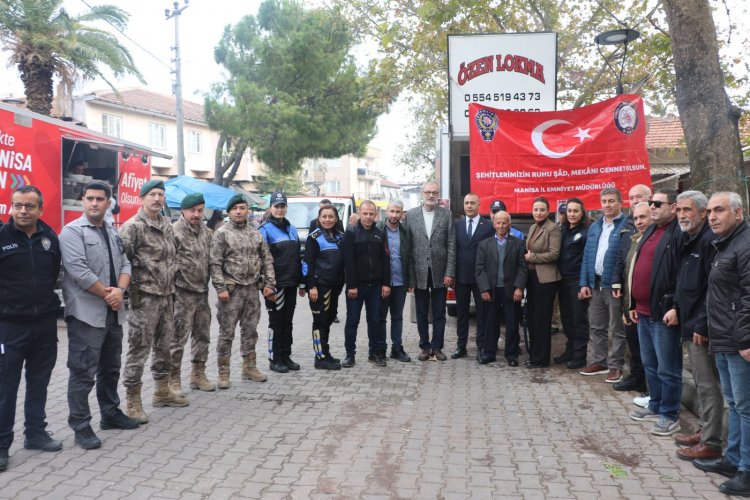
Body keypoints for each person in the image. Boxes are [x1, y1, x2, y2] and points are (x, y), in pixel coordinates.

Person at [60, 182, 139, 451]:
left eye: (100, 199)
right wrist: (110, 294)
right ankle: (81, 426)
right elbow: (79, 272)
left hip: (113, 314)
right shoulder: (72, 232)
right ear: (82, 201)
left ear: (108, 203)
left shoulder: (112, 231)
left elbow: (126, 263)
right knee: (83, 373)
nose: (94, 203)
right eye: (90, 198)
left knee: (110, 369)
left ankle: (110, 414)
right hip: (86, 316)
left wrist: (121, 289)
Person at [0, 186, 62, 472]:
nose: (22, 211)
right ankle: (1, 446)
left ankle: (35, 433)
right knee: (5, 387)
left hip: (44, 325)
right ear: (11, 208)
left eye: (29, 206)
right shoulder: (2, 237)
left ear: (40, 209)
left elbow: (54, 277)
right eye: (17, 205)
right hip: (9, 327)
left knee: (39, 381)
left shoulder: (50, 239)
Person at [693, 192, 750, 497]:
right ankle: (734, 459)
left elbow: (748, 296)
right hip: (724, 338)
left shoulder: (745, 244)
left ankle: (748, 471)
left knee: (746, 406)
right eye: (711, 211)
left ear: (738, 213)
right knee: (735, 404)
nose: (712, 216)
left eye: (719, 210)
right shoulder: (725, 244)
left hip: (740, 342)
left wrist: (745, 338)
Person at [120, 180, 186, 424]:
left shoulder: (167, 224)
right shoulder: (133, 227)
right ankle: (133, 400)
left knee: (164, 347)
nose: (157, 199)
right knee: (139, 349)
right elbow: (121, 261)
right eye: (152, 194)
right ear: (142, 198)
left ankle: (161, 391)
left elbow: (173, 256)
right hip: (144, 299)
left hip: (167, 297)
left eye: (161, 194)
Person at [668, 191, 723, 460]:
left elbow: (709, 290)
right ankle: (706, 430)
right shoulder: (689, 239)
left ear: (703, 213)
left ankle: (711, 440)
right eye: (678, 210)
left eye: (687, 210)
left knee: (707, 383)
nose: (681, 215)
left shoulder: (709, 242)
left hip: (702, 327)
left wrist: (701, 323)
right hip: (689, 320)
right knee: (702, 383)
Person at [628, 189, 683, 437]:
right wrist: (632, 303)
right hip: (642, 311)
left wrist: (675, 306)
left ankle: (670, 414)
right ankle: (656, 404)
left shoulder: (678, 234)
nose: (652, 207)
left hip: (662, 312)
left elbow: (681, 275)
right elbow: (636, 268)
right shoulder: (650, 230)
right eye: (651, 203)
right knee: (650, 364)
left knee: (667, 367)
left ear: (673, 207)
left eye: (657, 203)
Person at [210, 195, 276, 387]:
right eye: (235, 208)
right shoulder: (221, 234)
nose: (239, 211)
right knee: (226, 333)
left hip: (252, 291)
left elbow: (267, 260)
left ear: (248, 210)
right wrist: (220, 288)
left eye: (242, 208)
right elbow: (214, 263)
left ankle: (249, 367)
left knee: (250, 330)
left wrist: (270, 284)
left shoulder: (256, 234)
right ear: (229, 212)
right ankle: (223, 372)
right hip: (231, 292)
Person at [579, 187, 633, 382]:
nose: (607, 205)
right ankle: (599, 362)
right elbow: (587, 256)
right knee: (596, 326)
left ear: (620, 203)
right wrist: (584, 282)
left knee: (616, 327)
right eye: (604, 201)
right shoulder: (595, 226)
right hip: (595, 284)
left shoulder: (627, 225)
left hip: (614, 285)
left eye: (611, 201)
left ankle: (616, 365)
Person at [170, 193, 216, 394]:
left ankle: (198, 374)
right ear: (183, 211)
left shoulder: (207, 232)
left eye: (200, 210)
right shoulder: (173, 232)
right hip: (181, 294)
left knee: (202, 335)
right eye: (193, 211)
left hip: (202, 293)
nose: (197, 214)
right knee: (177, 339)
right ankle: (173, 379)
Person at [405, 181, 456, 361]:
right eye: (428, 192)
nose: (431, 195)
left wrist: (449, 272)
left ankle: (437, 347)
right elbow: (408, 248)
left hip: (440, 272)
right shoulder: (411, 215)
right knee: (421, 312)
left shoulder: (446, 215)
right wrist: (410, 278)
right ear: (422, 193)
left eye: (434, 192)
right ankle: (424, 346)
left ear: (438, 194)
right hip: (419, 271)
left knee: (439, 312)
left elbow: (451, 244)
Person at [610, 184, 653, 392]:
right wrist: (616, 282)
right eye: (632, 197)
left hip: (648, 298)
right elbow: (620, 257)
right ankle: (637, 377)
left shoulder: (657, 230)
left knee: (648, 345)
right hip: (628, 293)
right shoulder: (627, 226)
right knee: (632, 339)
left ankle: (648, 385)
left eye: (639, 197)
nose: (635, 200)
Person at [342, 200, 391, 367]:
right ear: (359, 213)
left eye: (371, 213)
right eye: (365, 213)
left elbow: (385, 260)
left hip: (376, 287)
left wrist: (386, 283)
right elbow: (348, 262)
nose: (368, 217)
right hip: (356, 287)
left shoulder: (380, 233)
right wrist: (352, 285)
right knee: (352, 321)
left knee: (375, 321)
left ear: (376, 215)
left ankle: (374, 353)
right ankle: (350, 354)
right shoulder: (350, 233)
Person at [475, 211, 527, 366]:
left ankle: (511, 354)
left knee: (512, 323)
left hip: (511, 290)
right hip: (491, 290)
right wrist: (484, 289)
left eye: (504, 222)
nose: (501, 225)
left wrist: (519, 288)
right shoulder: (484, 244)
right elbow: (479, 269)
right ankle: (489, 352)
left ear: (509, 225)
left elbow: (523, 268)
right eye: (498, 222)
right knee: (490, 323)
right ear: (494, 224)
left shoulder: (518, 243)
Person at [259, 192, 303, 373]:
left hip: (291, 283)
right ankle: (275, 358)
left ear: (286, 208)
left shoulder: (291, 229)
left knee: (288, 322)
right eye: (276, 206)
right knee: (276, 322)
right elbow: (261, 259)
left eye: (282, 206)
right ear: (270, 208)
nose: (279, 209)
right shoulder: (264, 230)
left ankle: (286, 355)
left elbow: (297, 258)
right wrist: (266, 285)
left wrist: (301, 282)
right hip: (274, 285)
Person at [452, 193, 494, 359]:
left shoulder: (488, 226)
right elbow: (453, 250)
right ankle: (461, 346)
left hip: (481, 277)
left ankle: (481, 347)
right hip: (461, 277)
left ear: (479, 205)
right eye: (466, 203)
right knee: (461, 313)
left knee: (481, 313)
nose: (469, 206)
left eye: (472, 203)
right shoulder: (457, 225)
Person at [304, 205, 345, 370]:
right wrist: (311, 286)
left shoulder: (340, 237)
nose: (327, 220)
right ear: (319, 219)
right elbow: (307, 263)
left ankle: (325, 353)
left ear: (336, 219)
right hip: (320, 288)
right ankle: (320, 358)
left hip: (335, 287)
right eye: (324, 217)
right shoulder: (314, 237)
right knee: (319, 322)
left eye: (331, 217)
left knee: (328, 321)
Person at [524, 197, 561, 368]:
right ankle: (534, 354)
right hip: (532, 279)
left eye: (542, 209)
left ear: (548, 211)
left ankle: (542, 358)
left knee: (542, 319)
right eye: (536, 209)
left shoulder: (553, 228)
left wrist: (534, 257)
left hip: (546, 280)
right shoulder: (532, 227)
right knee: (532, 318)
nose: (538, 212)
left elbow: (554, 254)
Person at [553, 198, 590, 369]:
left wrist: (584, 283)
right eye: (569, 211)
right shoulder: (563, 230)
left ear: (582, 213)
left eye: (576, 211)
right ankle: (570, 348)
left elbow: (586, 261)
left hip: (577, 281)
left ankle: (579, 355)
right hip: (563, 281)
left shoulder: (586, 232)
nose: (572, 214)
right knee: (566, 319)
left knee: (578, 320)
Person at [377, 200, 412, 362]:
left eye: (397, 212)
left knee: (397, 316)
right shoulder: (377, 229)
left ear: (402, 213)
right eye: (391, 211)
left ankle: (397, 349)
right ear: (386, 211)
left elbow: (410, 257)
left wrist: (410, 281)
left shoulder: (405, 231)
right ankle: (381, 349)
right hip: (382, 283)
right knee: (381, 317)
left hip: (400, 282)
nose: (394, 215)